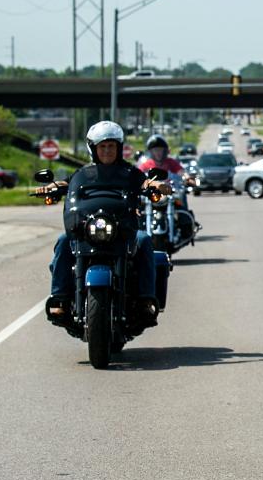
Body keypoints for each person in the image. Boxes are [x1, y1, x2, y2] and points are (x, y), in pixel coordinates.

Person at [39, 121, 171, 328]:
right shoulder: (84, 173)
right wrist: (51, 187)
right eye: (102, 146)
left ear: (118, 148)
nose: (107, 151)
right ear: (94, 149)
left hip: (122, 229)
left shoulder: (129, 173)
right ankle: (60, 299)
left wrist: (156, 185)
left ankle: (145, 300)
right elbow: (68, 183)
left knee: (144, 240)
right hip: (88, 228)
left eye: (111, 146)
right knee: (64, 241)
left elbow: (144, 182)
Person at [138, 134, 198, 227]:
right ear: (151, 152)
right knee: (138, 202)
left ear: (164, 151)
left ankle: (186, 223)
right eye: (155, 150)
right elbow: (137, 175)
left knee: (181, 194)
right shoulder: (146, 164)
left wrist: (187, 178)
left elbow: (181, 171)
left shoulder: (170, 162)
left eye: (160, 150)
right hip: (152, 192)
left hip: (169, 191)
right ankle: (138, 226)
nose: (158, 152)